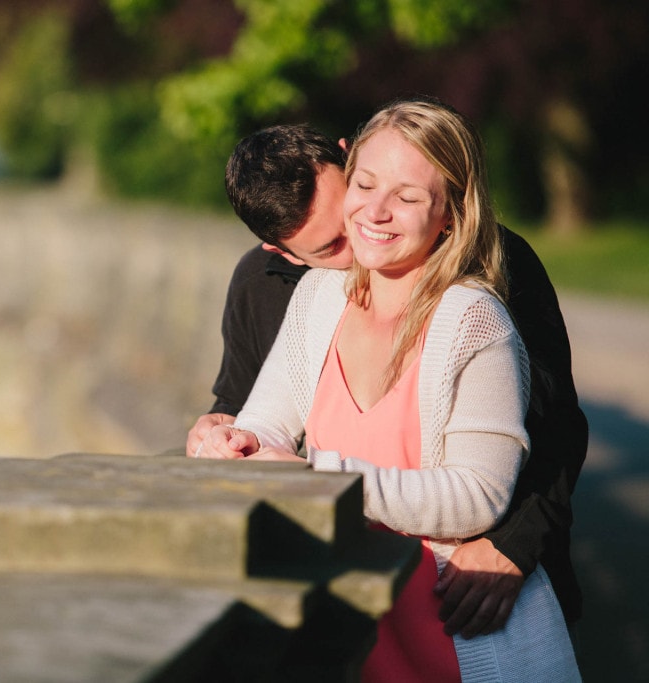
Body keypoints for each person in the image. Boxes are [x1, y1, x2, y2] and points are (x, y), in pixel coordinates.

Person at [194, 98, 581, 681]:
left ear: (451, 213)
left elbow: (495, 479)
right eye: (367, 187)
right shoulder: (315, 297)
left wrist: (315, 479)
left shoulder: (477, 316)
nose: (371, 216)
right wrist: (234, 438)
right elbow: (264, 415)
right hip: (341, 624)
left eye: (405, 196)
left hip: (453, 628)